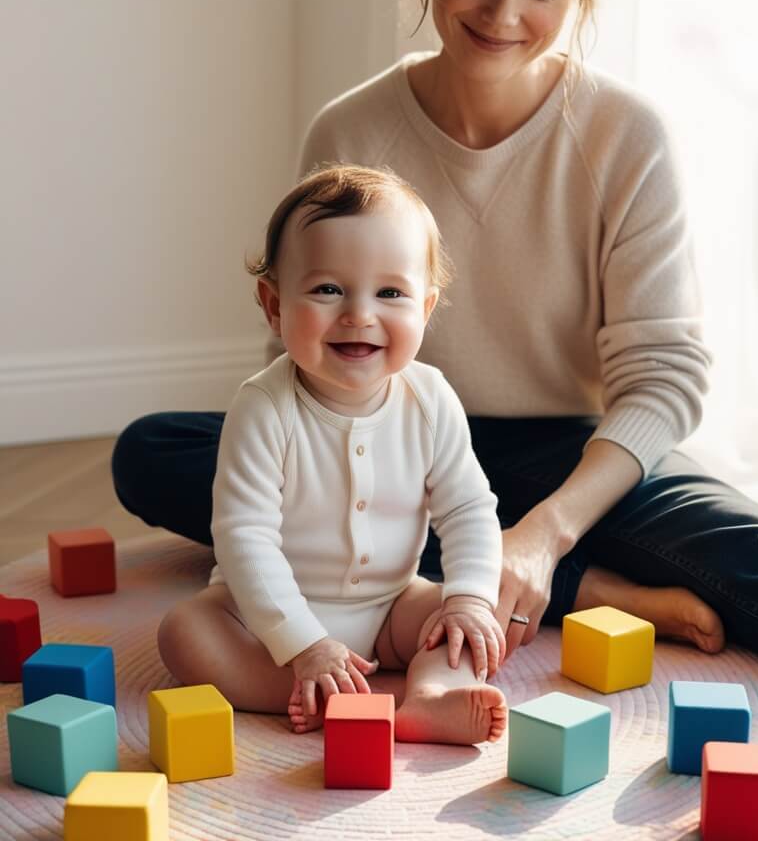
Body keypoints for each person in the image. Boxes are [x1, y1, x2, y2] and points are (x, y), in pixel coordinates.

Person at [115, 0, 758, 712]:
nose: (504, 12)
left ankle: (546, 571)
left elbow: (664, 372)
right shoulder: (350, 131)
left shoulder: (626, 134)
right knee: (155, 450)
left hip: (570, 456)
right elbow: (300, 345)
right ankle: (584, 590)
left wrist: (548, 533)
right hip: (388, 436)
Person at [157, 164, 509, 744]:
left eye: (390, 292)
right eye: (327, 289)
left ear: (425, 307)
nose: (358, 314)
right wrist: (302, 643)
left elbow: (469, 509)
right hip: (266, 620)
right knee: (186, 631)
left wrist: (469, 598)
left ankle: (430, 695)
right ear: (273, 305)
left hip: (393, 604)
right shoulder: (264, 407)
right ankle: (351, 694)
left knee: (461, 622)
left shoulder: (431, 399)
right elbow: (245, 538)